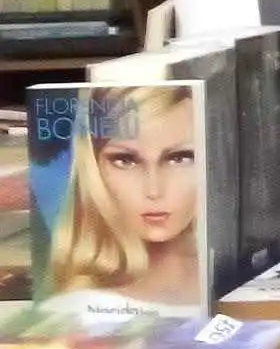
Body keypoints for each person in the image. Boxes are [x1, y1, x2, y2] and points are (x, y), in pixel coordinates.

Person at [47, 85, 202, 306]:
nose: (154, 190)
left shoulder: (227, 282)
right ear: (93, 167)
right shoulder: (80, 308)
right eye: (125, 161)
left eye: (179, 158)